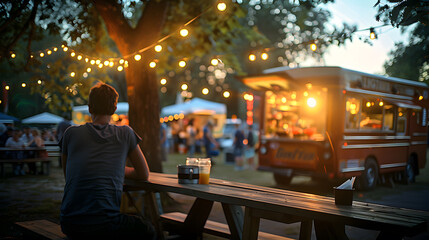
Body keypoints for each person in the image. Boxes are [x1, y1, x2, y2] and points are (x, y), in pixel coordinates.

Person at [59, 82, 155, 240]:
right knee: (148, 230)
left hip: (69, 222)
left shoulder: (70, 134)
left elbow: (68, 174)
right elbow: (143, 174)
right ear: (114, 109)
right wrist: (116, 169)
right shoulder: (125, 133)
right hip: (105, 224)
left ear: (90, 107)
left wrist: (112, 168)